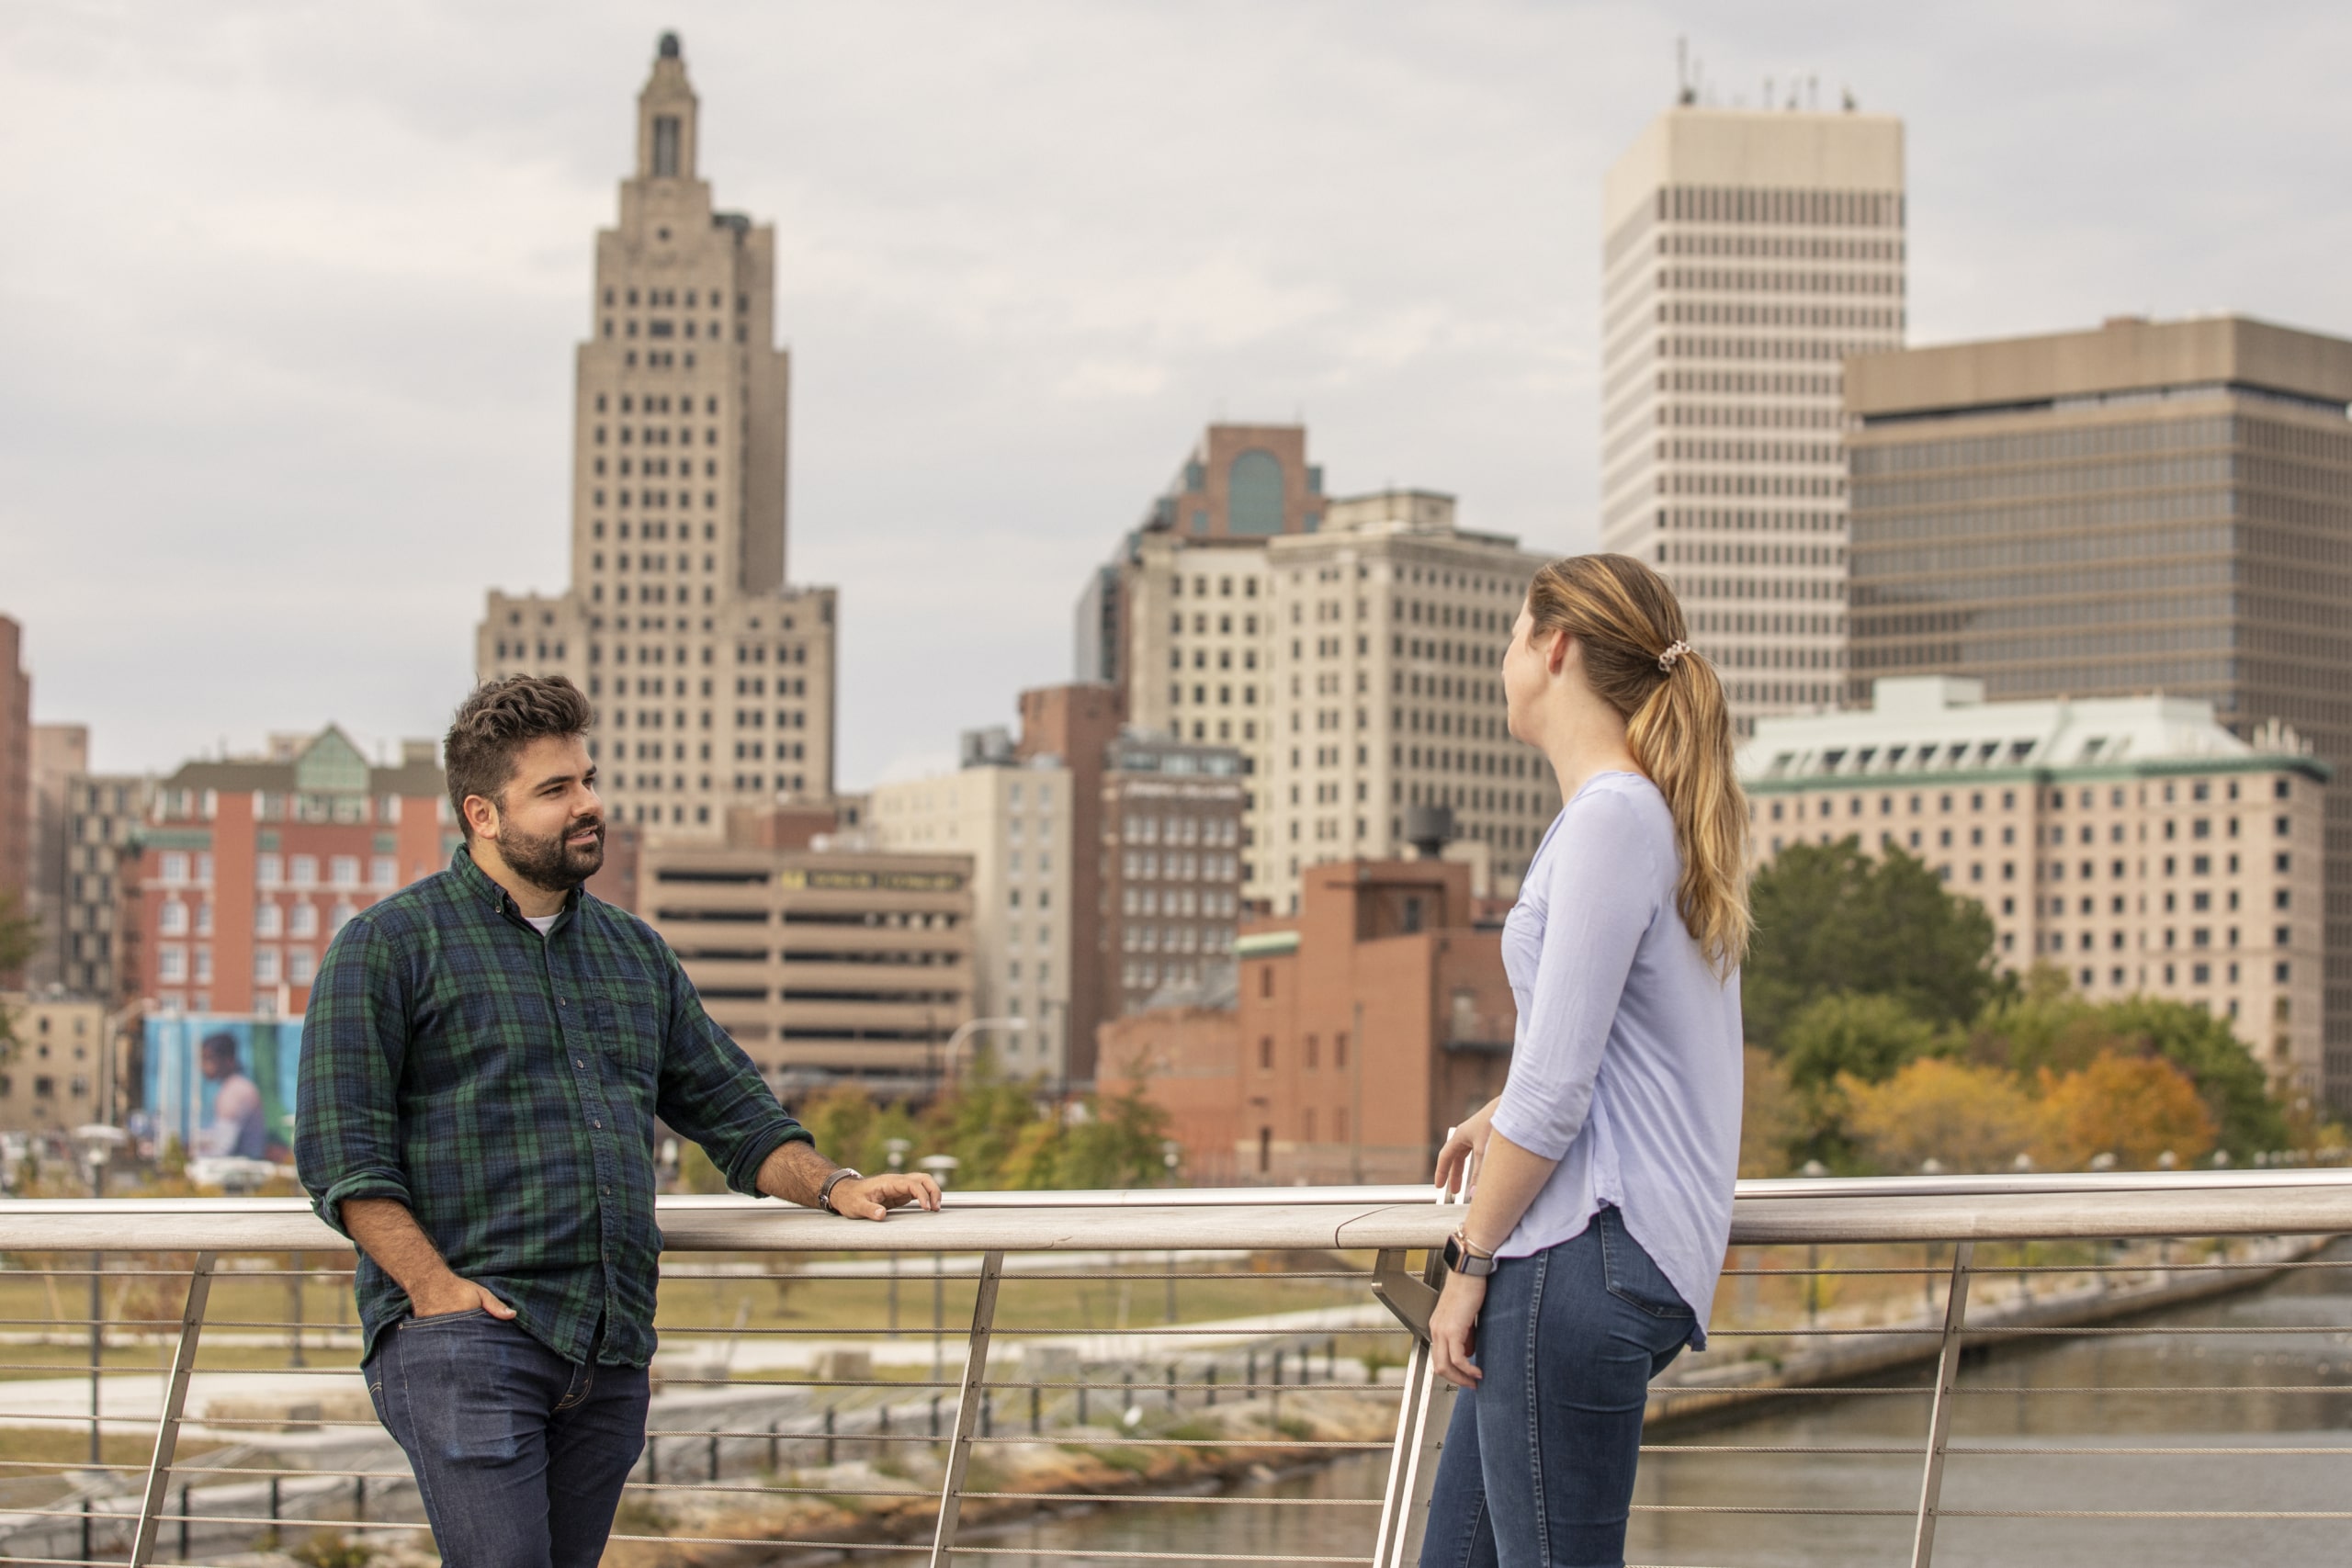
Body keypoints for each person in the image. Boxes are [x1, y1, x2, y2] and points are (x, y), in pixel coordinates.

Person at [296, 675, 939, 1568]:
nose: (589, 804)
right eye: (556, 790)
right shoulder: (389, 948)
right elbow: (343, 1159)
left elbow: (737, 1115)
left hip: (608, 1354)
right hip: (470, 1343)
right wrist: (438, 1296)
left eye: (587, 780)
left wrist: (834, 1184)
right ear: (482, 814)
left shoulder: (634, 953)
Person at [1419, 554, 1748, 1568]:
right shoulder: (1645, 817)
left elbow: (1559, 1090)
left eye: (1518, 633)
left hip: (1575, 1261)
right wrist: (1499, 1112)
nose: (1506, 655)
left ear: (1554, 649)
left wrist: (1467, 1262)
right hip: (1612, 1258)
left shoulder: (1611, 818)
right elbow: (1608, 1054)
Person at [197, 1032, 268, 1160]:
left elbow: (222, 1149)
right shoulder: (233, 1087)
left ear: (228, 1060)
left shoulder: (235, 1092)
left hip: (243, 1169)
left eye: (209, 1058)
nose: (203, 1065)